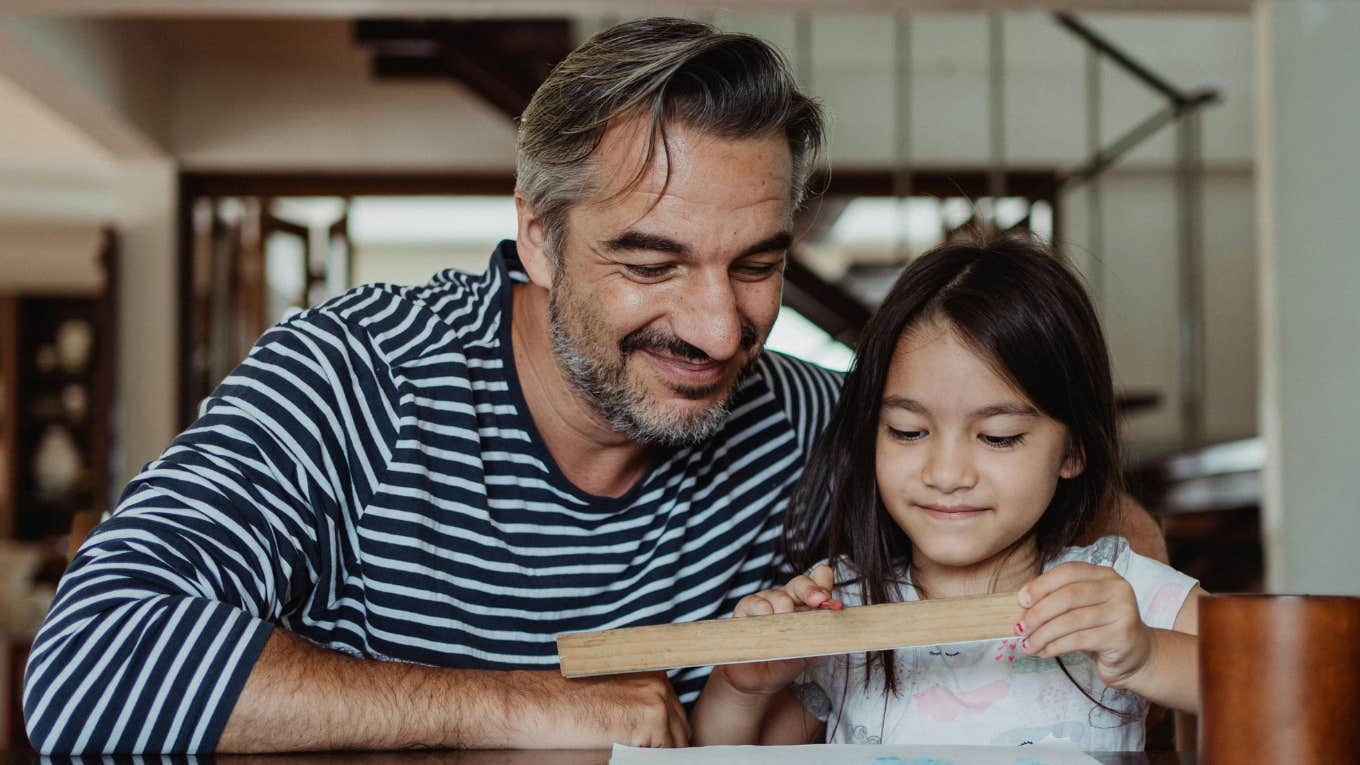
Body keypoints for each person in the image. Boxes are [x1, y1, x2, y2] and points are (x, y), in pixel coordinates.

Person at [22, 18, 1163, 755]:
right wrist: (512, 706)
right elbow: (85, 674)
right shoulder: (353, 375)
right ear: (536, 235)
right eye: (651, 261)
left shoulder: (811, 422)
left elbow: (1095, 514)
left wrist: (1123, 624)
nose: (720, 329)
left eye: (758, 264)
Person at [692, 237, 1202, 751]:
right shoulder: (842, 609)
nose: (947, 473)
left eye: (998, 437)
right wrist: (743, 686)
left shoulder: (1114, 591)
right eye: (908, 431)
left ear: (1073, 450)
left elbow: (1273, 678)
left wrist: (1146, 656)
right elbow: (731, 757)